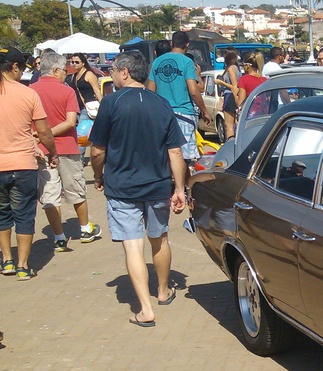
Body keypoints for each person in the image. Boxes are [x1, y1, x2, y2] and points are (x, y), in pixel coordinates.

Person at [89, 50, 187, 327]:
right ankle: (163, 290)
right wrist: (179, 188)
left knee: (133, 246)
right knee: (160, 239)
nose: (110, 76)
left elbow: (98, 151)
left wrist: (98, 176)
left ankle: (145, 309)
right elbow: (175, 152)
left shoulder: (111, 103)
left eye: (112, 71)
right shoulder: (161, 103)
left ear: (124, 72)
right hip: (158, 185)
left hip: (122, 187)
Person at [31, 50, 101, 253]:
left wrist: (40, 135)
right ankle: (85, 228)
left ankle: (59, 236)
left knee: (50, 194)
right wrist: (48, 133)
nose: (65, 73)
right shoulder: (66, 91)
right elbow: (70, 122)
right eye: (63, 70)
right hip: (67, 147)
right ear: (54, 70)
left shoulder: (31, 91)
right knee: (76, 189)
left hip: (41, 150)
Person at [0, 46, 59, 280]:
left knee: (2, 215)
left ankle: (7, 261)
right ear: (14, 67)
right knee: (24, 215)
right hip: (23, 164)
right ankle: (23, 265)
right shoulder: (27, 94)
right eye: (21, 67)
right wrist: (52, 152)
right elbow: (44, 132)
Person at [146, 31, 212, 168]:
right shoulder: (187, 62)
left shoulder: (157, 62)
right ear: (187, 45)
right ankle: (181, 186)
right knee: (184, 157)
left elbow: (150, 91)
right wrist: (204, 111)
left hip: (162, 114)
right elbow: (194, 91)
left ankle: (170, 183)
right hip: (184, 114)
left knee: (167, 153)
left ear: (171, 43)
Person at [214, 49, 241, 141]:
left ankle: (230, 144)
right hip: (232, 96)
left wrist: (221, 82)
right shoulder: (236, 68)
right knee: (235, 122)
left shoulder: (230, 69)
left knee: (228, 125)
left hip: (230, 96)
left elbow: (234, 86)